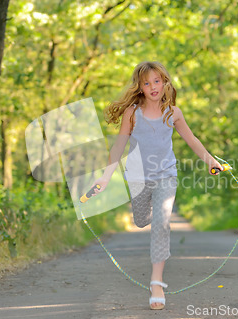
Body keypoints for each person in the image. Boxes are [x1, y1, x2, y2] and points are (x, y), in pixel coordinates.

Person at [91, 61, 223, 310]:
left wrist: (210, 161)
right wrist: (105, 176)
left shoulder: (173, 113)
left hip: (166, 175)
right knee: (141, 221)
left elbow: (192, 140)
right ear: (140, 87)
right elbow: (119, 146)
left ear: (165, 83)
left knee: (162, 222)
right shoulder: (132, 112)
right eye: (147, 83)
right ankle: (149, 215)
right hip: (138, 177)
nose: (153, 86)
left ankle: (156, 283)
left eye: (157, 81)